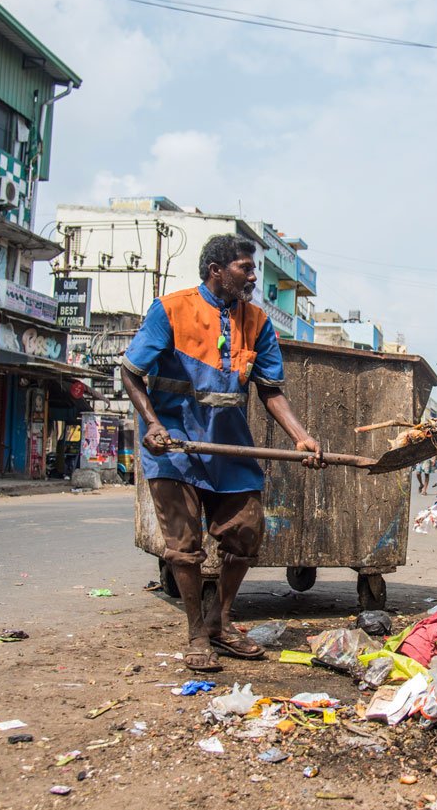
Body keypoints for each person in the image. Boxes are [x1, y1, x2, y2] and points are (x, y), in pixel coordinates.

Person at [121, 234, 323, 673]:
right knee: (184, 548)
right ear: (216, 270)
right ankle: (196, 633)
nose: (253, 277)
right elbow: (131, 372)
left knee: (247, 532)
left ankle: (219, 621)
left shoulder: (257, 321)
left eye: (253, 269)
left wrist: (300, 437)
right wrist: (152, 424)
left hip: (229, 446)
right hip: (174, 446)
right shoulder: (170, 309)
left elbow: (270, 390)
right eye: (244, 268)